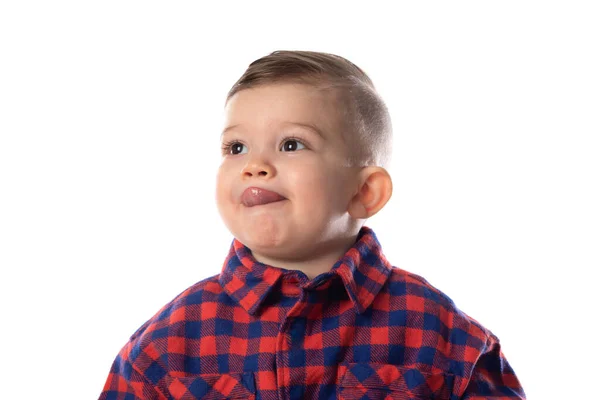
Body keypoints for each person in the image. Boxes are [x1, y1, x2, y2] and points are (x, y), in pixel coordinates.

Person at [99, 50, 526, 399]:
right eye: (236, 146)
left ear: (364, 193)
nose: (255, 166)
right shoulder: (166, 347)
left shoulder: (443, 337)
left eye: (291, 144)